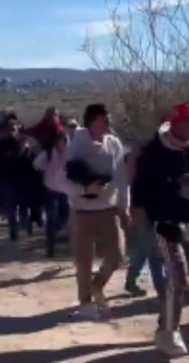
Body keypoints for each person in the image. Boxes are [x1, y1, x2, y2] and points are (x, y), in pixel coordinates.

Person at [132, 101, 189, 357]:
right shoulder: (154, 152)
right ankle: (169, 333)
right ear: (177, 124)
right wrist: (174, 189)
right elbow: (141, 192)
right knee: (178, 276)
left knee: (180, 281)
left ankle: (163, 324)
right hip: (164, 223)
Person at [64, 103, 131, 320]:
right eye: (104, 120)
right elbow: (63, 181)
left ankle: (97, 285)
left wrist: (124, 207)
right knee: (84, 260)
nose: (109, 124)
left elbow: (122, 179)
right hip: (82, 210)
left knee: (118, 254)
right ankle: (85, 304)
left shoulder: (113, 144)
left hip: (108, 208)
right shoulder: (76, 145)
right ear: (92, 121)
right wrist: (85, 188)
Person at [124, 148, 165, 298]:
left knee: (143, 251)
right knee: (153, 253)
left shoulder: (145, 173)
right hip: (143, 214)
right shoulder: (137, 176)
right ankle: (162, 288)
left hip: (147, 214)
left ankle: (130, 280)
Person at [0, 114, 30, 241]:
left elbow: (27, 162)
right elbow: (0, 162)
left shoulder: (22, 142)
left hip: (21, 179)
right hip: (7, 180)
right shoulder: (1, 144)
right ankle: (13, 230)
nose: (13, 130)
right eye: (11, 127)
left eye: (15, 127)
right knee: (11, 207)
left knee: (24, 205)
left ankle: (25, 224)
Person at [34, 132, 70, 258]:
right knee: (51, 218)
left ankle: (62, 238)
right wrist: (44, 170)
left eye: (63, 141)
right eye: (59, 141)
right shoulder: (48, 154)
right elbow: (36, 165)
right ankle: (50, 246)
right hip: (52, 191)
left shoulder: (70, 154)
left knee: (66, 219)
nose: (61, 144)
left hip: (67, 193)